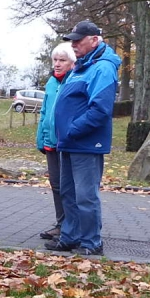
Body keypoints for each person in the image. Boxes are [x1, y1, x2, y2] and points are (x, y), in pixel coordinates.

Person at [47, 21, 119, 256]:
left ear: (94, 40)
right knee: (68, 193)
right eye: (72, 40)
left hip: (86, 143)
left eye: (78, 40)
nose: (74, 44)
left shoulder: (103, 68)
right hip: (69, 142)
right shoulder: (81, 67)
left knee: (86, 196)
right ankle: (70, 237)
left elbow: (100, 110)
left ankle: (91, 242)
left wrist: (73, 129)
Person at [35, 42, 74, 241]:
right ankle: (61, 224)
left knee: (69, 187)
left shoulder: (75, 80)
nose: (57, 64)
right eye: (55, 60)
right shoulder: (51, 82)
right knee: (56, 184)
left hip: (67, 143)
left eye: (62, 60)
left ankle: (72, 226)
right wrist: (40, 138)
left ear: (72, 62)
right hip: (50, 142)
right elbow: (44, 112)